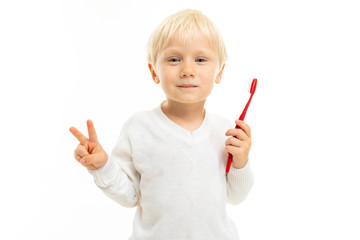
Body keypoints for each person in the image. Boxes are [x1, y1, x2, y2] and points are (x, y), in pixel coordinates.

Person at [70, 8, 254, 240]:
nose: (188, 70)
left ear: (220, 72)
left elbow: (237, 196)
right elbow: (130, 196)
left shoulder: (226, 130)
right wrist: (101, 166)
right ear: (153, 71)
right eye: (174, 59)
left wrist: (241, 163)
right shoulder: (138, 128)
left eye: (200, 59)